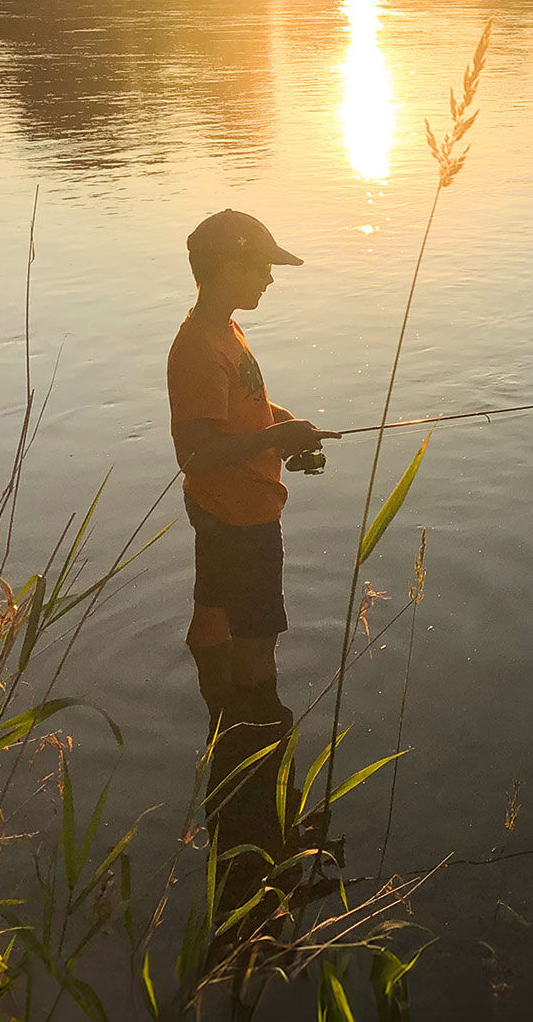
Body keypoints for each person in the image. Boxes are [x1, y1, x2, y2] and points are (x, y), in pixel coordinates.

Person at [168, 209, 335, 724]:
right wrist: (274, 438)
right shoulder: (198, 347)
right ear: (228, 268)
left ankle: (217, 709)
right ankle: (261, 727)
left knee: (213, 615)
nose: (269, 276)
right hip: (241, 518)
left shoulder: (223, 328)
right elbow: (193, 453)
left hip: (225, 508)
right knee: (257, 639)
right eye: (261, 266)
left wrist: (280, 425)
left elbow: (238, 408)